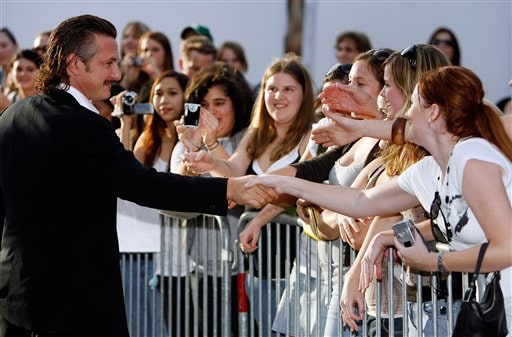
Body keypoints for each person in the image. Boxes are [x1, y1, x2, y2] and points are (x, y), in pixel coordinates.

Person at [0, 14, 274, 337]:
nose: (116, 74)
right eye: (108, 64)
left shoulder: (11, 117)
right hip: (73, 303)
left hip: (13, 297)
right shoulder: (86, 126)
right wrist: (228, 189)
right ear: (74, 64)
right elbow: (145, 185)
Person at [248, 66, 512, 335]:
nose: (405, 113)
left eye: (412, 104)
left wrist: (434, 263)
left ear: (432, 113)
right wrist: (284, 184)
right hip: (495, 303)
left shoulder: (473, 159)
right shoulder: (431, 169)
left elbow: (507, 249)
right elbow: (361, 201)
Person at [184, 52, 315, 336]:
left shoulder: (310, 135)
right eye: (272, 88)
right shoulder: (256, 135)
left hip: (295, 263)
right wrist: (211, 157)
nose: (278, 96)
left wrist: (257, 219)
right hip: (258, 263)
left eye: (288, 89)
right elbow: (233, 171)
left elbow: (295, 186)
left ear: (304, 95)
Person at [169, 62, 253, 336]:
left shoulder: (245, 139)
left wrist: (213, 143)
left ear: (235, 105)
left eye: (219, 103)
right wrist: (192, 147)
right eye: (204, 104)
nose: (212, 111)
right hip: (203, 264)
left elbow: (241, 185)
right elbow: (175, 195)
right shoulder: (184, 142)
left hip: (246, 266)